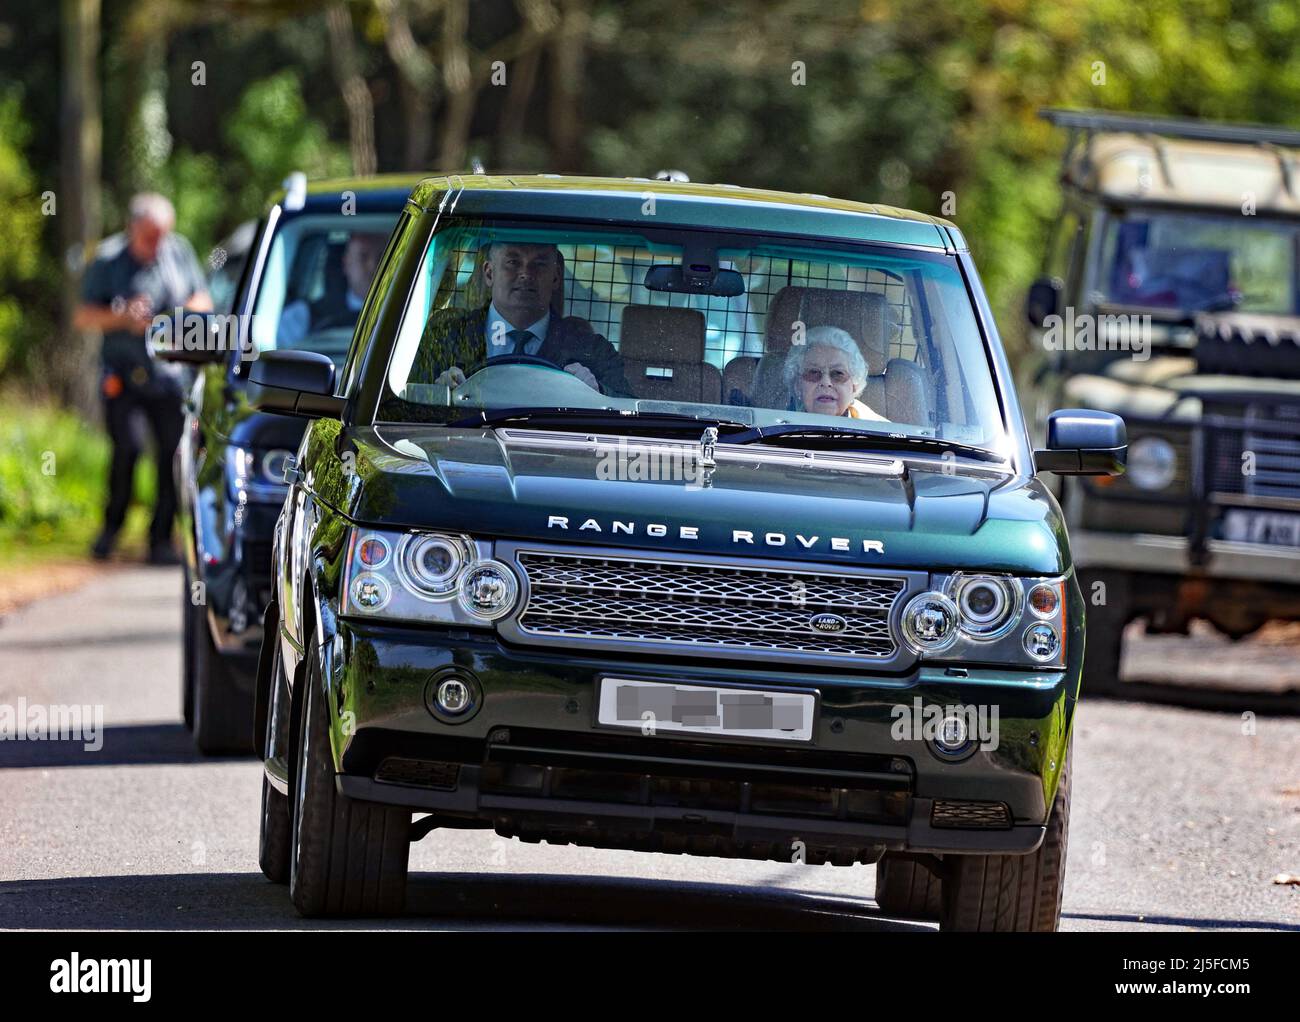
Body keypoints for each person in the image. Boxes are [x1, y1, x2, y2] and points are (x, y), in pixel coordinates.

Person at [73, 192, 212, 564]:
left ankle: (161, 539)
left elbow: (203, 301)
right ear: (132, 228)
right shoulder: (107, 260)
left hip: (169, 376)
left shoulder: (177, 251)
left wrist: (173, 316)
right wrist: (124, 319)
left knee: (171, 453)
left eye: (163, 235)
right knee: (128, 449)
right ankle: (111, 529)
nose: (158, 244)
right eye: (151, 236)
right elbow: (84, 316)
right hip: (122, 376)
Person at [410, 241, 631, 396]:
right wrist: (435, 393)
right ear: (489, 273)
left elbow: (627, 408)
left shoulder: (590, 349)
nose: (526, 274)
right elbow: (398, 405)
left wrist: (598, 392)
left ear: (555, 277)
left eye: (539, 264)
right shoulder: (444, 337)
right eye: (513, 262)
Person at [276, 232, 387, 346]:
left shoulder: (404, 311)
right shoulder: (303, 317)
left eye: (381, 257)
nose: (373, 266)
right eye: (363, 256)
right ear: (346, 263)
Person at [782, 325, 886, 420]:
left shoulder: (879, 431)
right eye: (813, 372)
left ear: (854, 385)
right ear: (797, 385)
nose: (826, 382)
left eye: (838, 373)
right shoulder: (774, 427)